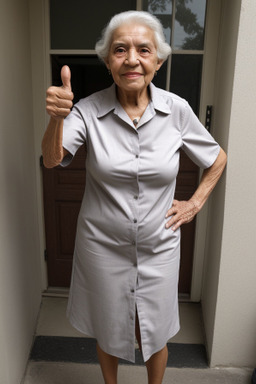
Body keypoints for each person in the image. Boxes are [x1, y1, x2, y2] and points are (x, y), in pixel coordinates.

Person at [42, 10, 227, 384]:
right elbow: (52, 159)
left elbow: (217, 158)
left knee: (155, 332)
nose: (132, 59)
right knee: (109, 329)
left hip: (159, 246)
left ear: (157, 61)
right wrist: (56, 119)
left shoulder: (177, 111)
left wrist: (195, 203)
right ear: (108, 61)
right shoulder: (89, 110)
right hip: (102, 246)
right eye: (120, 50)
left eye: (143, 50)